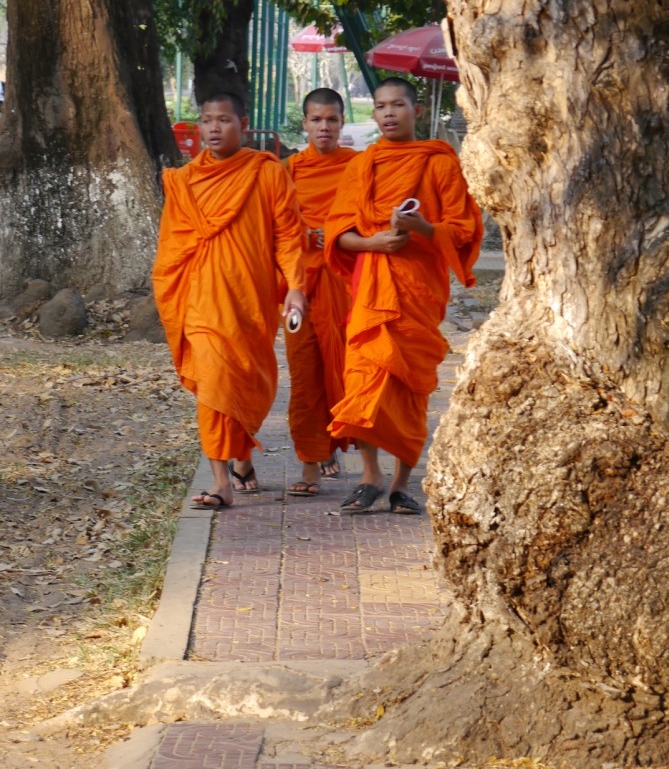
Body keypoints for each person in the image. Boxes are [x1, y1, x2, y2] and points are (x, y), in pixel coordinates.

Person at [324, 77, 483, 514]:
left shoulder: (439, 163)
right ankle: (370, 476)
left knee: (411, 384)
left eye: (398, 105)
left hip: (418, 289)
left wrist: (422, 229)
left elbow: (464, 229)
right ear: (372, 114)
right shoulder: (362, 166)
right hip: (372, 288)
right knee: (363, 377)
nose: (389, 113)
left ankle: (400, 483)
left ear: (416, 110)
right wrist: (372, 243)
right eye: (380, 106)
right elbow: (337, 235)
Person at [152, 92, 307, 510]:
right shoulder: (184, 183)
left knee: (245, 382)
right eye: (207, 121)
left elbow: (289, 235)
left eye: (224, 120)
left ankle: (243, 460)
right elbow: (171, 249)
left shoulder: (266, 172)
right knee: (215, 386)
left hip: (251, 300)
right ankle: (220, 481)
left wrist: (295, 286)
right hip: (203, 302)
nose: (214, 128)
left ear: (244, 123)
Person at [283, 88, 358, 497]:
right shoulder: (290, 171)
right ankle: (310, 463)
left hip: (346, 283)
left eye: (331, 119)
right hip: (300, 287)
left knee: (349, 370)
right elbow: (276, 227)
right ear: (305, 124)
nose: (323, 127)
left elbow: (371, 218)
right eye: (316, 120)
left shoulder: (359, 167)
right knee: (305, 374)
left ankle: (357, 456)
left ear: (342, 123)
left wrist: (330, 235)